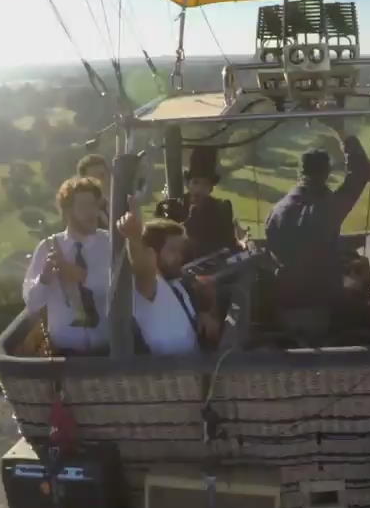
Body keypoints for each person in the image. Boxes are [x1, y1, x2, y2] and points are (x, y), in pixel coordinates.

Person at [263, 118, 370, 344]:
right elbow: (360, 172)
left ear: (299, 174)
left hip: (282, 304)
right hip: (320, 304)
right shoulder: (328, 207)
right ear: (326, 174)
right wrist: (342, 132)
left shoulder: (276, 211)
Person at [117, 194, 222, 355]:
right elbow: (143, 267)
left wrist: (203, 316)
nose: (180, 257)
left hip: (197, 369)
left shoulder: (177, 286)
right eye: (173, 250)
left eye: (180, 251)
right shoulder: (149, 288)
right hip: (169, 375)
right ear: (153, 253)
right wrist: (134, 237)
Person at [21, 176, 112, 354]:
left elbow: (122, 289)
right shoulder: (47, 247)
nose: (92, 213)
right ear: (67, 211)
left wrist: (82, 276)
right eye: (84, 206)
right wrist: (44, 279)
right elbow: (32, 303)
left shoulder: (110, 243)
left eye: (94, 205)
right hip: (64, 353)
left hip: (107, 350)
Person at [156, 145, 242, 261]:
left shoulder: (221, 210)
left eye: (205, 184)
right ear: (188, 184)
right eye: (195, 183)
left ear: (211, 188)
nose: (199, 189)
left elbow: (229, 247)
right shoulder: (169, 209)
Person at [77, 153, 112, 230]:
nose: (99, 181)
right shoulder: (80, 212)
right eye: (93, 178)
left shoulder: (122, 203)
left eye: (102, 175)